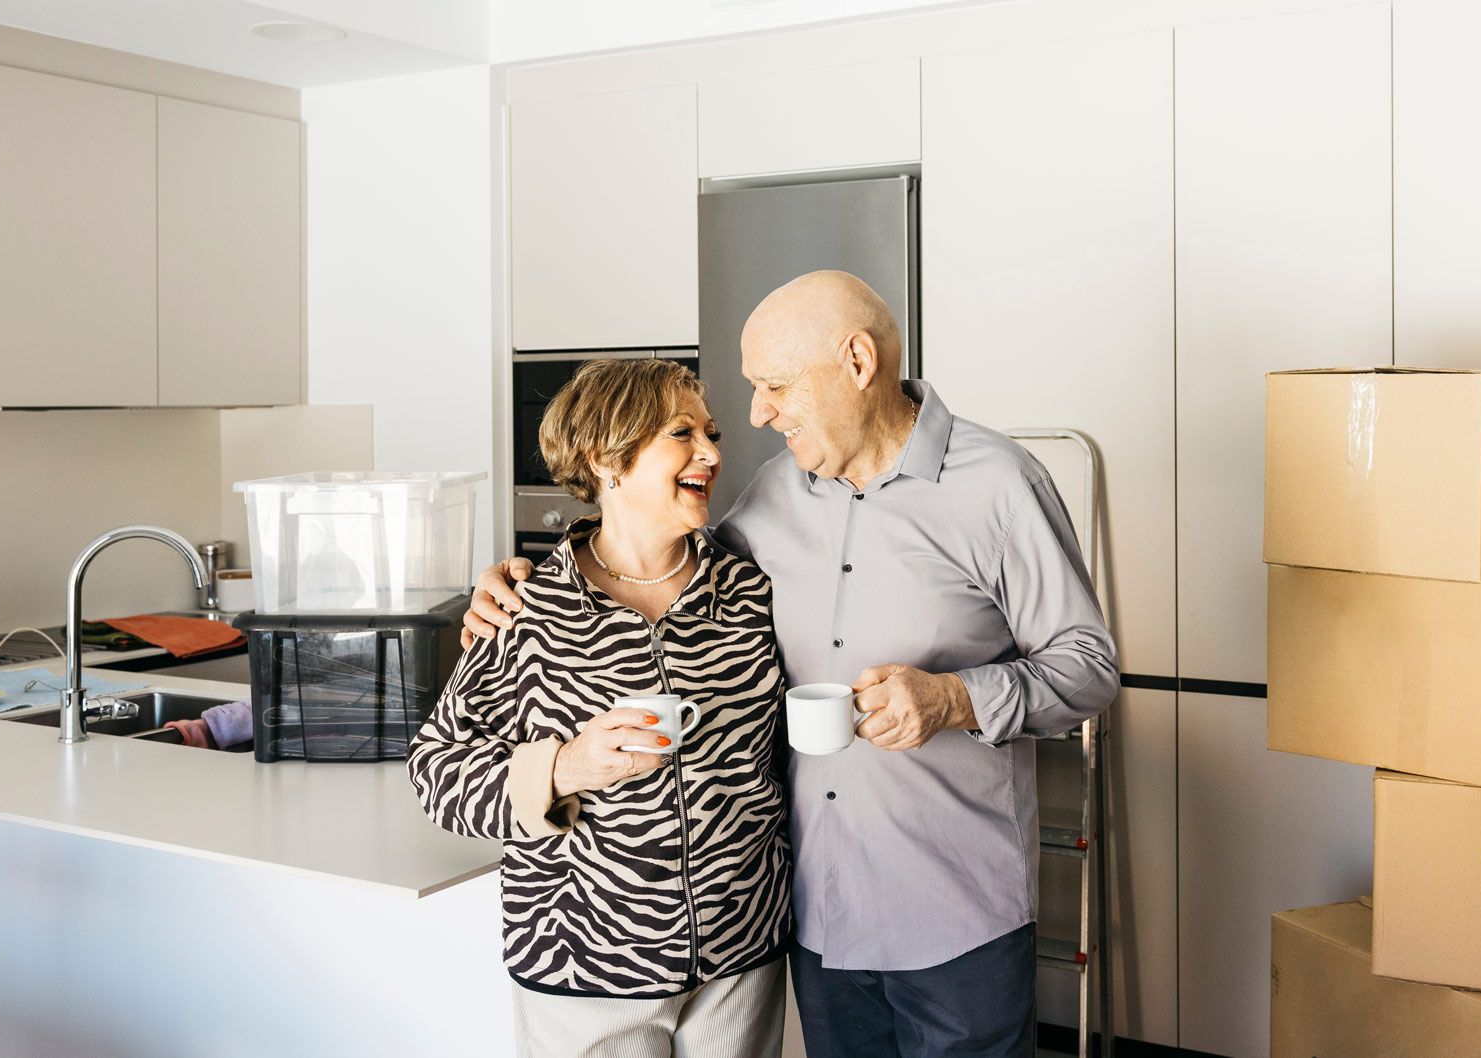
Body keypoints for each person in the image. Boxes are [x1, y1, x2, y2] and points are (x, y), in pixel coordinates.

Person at [466, 270, 1119, 1058]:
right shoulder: (773, 496)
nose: (755, 414)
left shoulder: (1001, 486)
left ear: (856, 362)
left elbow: (1087, 667)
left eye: (774, 384)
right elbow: (649, 556)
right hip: (817, 919)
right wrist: (523, 578)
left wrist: (954, 698)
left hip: (957, 911)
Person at [409, 357, 790, 1058]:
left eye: (712, 433)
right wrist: (566, 766)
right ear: (605, 459)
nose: (711, 453)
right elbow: (435, 775)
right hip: (582, 964)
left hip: (742, 959)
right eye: (682, 433)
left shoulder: (749, 589)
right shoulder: (527, 608)